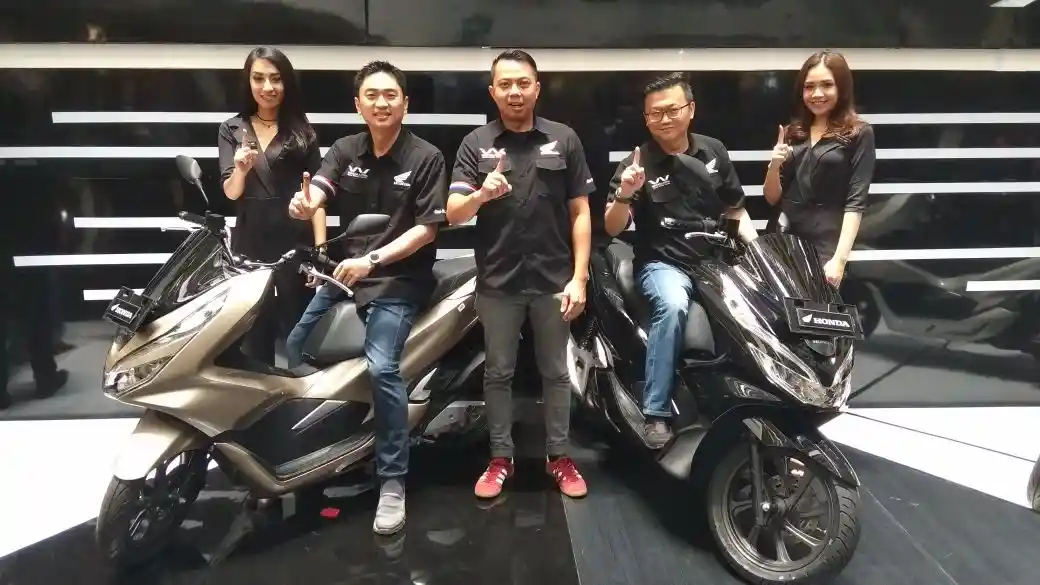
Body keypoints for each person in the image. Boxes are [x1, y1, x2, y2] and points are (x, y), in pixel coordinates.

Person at [286, 61, 448, 535]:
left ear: (405, 103)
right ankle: (320, 448)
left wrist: (373, 260)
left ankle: (392, 479)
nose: (382, 103)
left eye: (390, 95)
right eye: (372, 95)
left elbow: (426, 230)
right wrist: (305, 204)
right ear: (358, 104)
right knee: (295, 348)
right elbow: (320, 188)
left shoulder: (426, 157)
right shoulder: (344, 149)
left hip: (399, 277)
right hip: (345, 273)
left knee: (382, 367)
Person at [446, 49, 593, 500]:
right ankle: (500, 458)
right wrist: (480, 196)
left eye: (523, 83)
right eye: (505, 84)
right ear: (493, 91)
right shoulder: (475, 143)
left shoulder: (564, 139)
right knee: (498, 373)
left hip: (553, 280)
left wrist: (579, 277)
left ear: (537, 88)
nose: (515, 92)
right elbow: (453, 213)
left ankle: (559, 456)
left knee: (556, 372)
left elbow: (581, 211)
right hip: (499, 282)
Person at [603, 73, 759, 448]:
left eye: (672, 110)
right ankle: (656, 412)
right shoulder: (637, 163)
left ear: (690, 110)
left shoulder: (713, 151)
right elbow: (612, 225)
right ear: (646, 119)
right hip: (663, 263)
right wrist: (625, 194)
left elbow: (735, 209)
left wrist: (759, 256)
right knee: (672, 307)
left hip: (716, 263)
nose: (664, 119)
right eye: (655, 113)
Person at [217, 46, 324, 366]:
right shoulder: (232, 129)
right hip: (250, 244)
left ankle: (301, 395)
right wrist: (241, 169)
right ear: (248, 82)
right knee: (253, 337)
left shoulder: (303, 131)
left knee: (298, 335)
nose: (268, 87)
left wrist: (320, 252)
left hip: (295, 243)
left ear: (286, 82)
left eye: (276, 79)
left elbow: (317, 196)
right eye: (259, 78)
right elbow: (231, 193)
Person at [762, 50, 876, 287]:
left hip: (824, 247)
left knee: (817, 310)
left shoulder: (858, 133)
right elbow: (772, 198)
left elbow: (856, 202)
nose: (816, 94)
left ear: (842, 87)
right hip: (781, 239)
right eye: (809, 86)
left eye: (826, 85)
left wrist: (840, 260)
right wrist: (774, 165)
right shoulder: (794, 132)